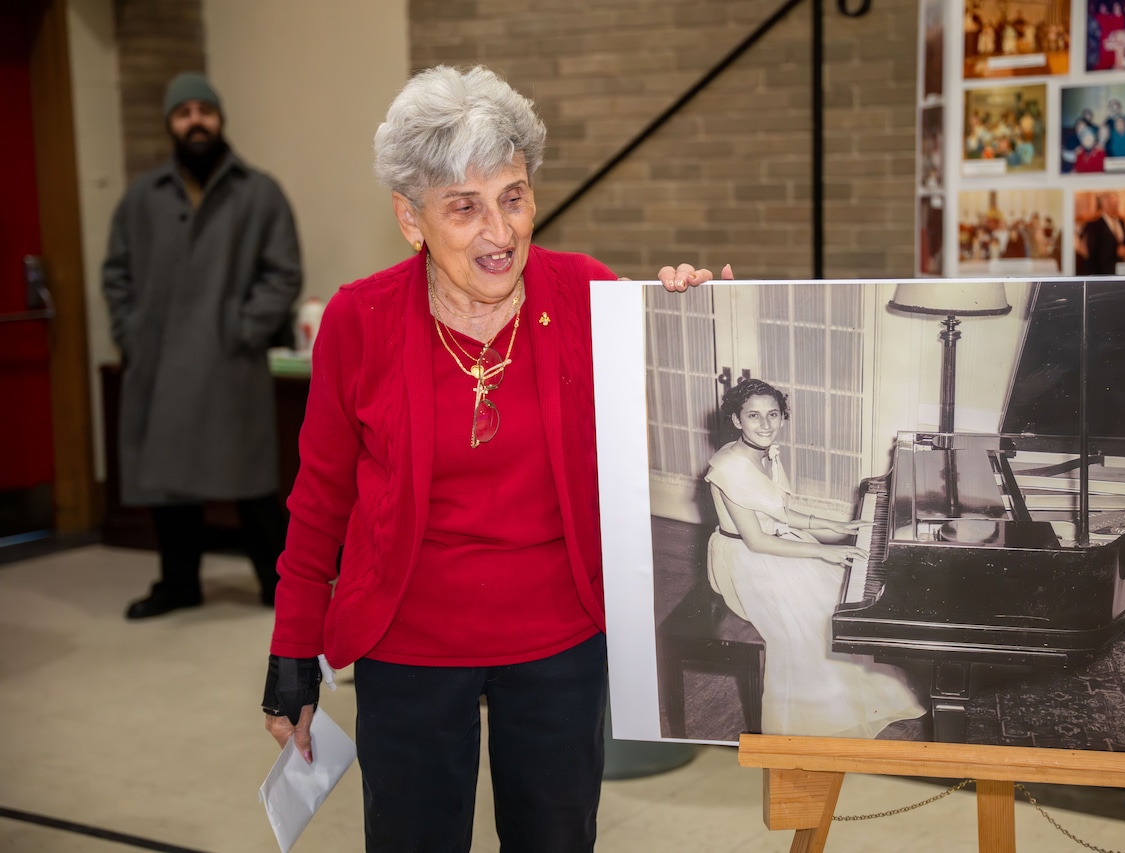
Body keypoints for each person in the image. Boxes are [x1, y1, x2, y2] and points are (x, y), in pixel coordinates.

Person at [258, 65, 729, 853]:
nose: (500, 232)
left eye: (513, 196)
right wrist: (291, 647)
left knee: (555, 838)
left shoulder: (586, 295)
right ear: (411, 218)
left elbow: (680, 426)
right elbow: (320, 499)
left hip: (557, 640)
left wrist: (688, 315)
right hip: (407, 642)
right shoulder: (359, 320)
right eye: (464, 207)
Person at [102, 72, 301, 619]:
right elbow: (116, 273)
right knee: (169, 481)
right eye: (184, 111)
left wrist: (242, 328)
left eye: (204, 110)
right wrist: (132, 332)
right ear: (170, 121)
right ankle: (178, 582)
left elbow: (283, 274)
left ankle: (277, 583)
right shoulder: (143, 197)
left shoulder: (258, 192)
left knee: (252, 479)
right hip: (160, 361)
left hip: (231, 360)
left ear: (219, 118)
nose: (196, 120)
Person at [704, 378, 924, 739]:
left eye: (772, 414)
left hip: (775, 542)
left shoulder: (763, 453)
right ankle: (825, 715)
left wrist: (839, 524)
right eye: (754, 416)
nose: (765, 424)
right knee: (813, 616)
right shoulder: (730, 467)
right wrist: (825, 550)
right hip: (744, 560)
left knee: (838, 595)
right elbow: (758, 541)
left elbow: (784, 512)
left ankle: (862, 698)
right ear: (736, 420)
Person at [1077, 192, 1125, 275]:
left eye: (1116, 203)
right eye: (1111, 203)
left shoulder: (1121, 222)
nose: (1114, 206)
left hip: (1119, 271)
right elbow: (1092, 251)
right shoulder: (1094, 224)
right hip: (1101, 273)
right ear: (1104, 203)